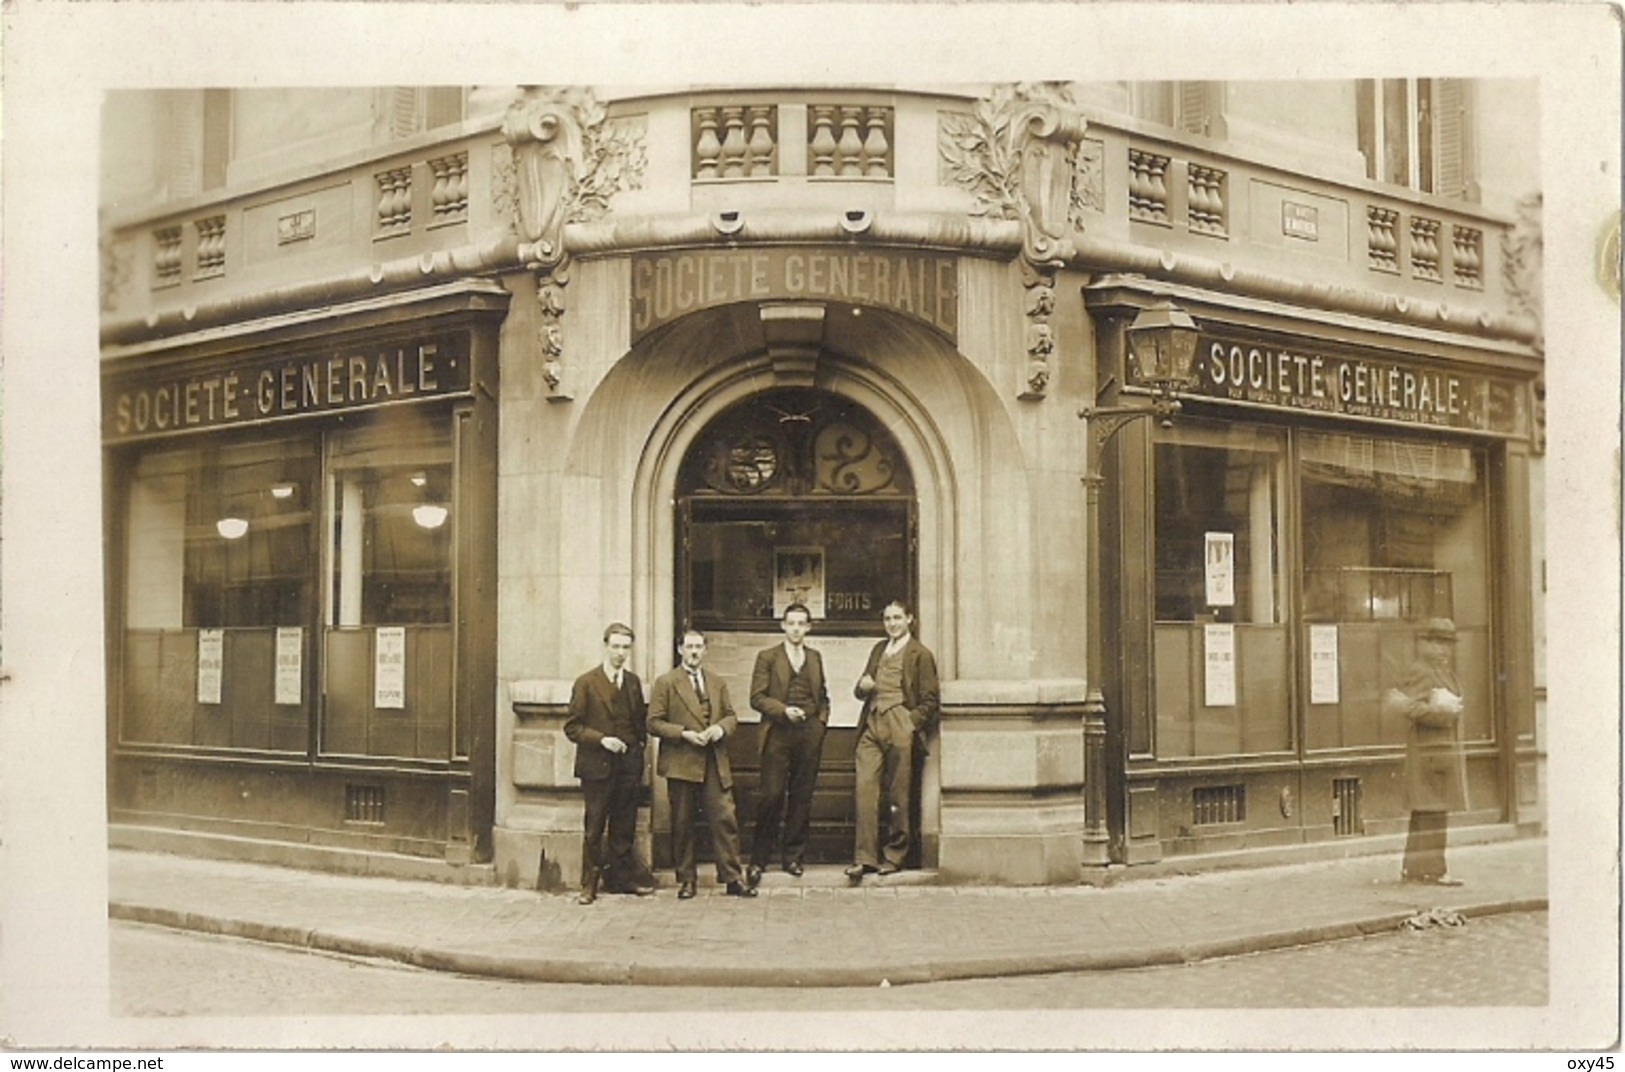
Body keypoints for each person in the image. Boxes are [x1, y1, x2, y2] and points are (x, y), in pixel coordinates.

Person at [648, 629, 757, 899]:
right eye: (689, 647)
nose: (694, 652)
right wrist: (683, 733)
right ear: (680, 650)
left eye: (699, 647)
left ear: (705, 650)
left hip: (713, 760)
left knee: (724, 818)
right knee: (682, 822)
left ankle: (733, 878)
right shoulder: (666, 682)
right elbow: (653, 722)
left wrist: (720, 729)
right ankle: (687, 880)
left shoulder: (717, 683)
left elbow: (731, 716)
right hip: (682, 760)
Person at [846, 600, 939, 883]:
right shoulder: (878, 649)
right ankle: (865, 859)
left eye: (897, 618)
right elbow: (861, 689)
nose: (892, 624)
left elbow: (931, 699)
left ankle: (894, 856)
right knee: (865, 789)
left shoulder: (919, 654)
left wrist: (910, 724)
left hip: (900, 723)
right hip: (872, 724)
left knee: (899, 793)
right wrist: (862, 689)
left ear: (909, 619)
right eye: (887, 619)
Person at [563, 623, 655, 905]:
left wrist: (637, 752)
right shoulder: (586, 683)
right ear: (605, 646)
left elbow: (639, 723)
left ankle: (621, 879)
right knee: (595, 826)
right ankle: (588, 885)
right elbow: (572, 728)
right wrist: (602, 740)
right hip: (597, 766)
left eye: (625, 647)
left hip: (627, 766)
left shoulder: (632, 682)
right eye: (615, 646)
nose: (620, 653)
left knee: (624, 824)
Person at [746, 602, 831, 885]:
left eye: (801, 624)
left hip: (809, 734)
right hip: (778, 734)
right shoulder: (767, 657)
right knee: (771, 795)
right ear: (783, 626)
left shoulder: (815, 657)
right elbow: (756, 697)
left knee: (802, 796)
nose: (796, 629)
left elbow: (823, 696)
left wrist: (820, 724)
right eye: (791, 623)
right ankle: (759, 859)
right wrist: (783, 710)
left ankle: (793, 857)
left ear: (808, 627)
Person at [1388, 617, 1469, 887]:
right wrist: (1441, 712)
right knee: (1431, 812)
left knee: (1430, 812)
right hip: (1428, 751)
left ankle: (1415, 869)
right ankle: (1432, 870)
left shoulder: (1444, 671)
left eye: (1447, 644)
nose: (1443, 649)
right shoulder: (1423, 671)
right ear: (1424, 644)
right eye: (1436, 643)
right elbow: (1404, 706)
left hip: (1441, 751)